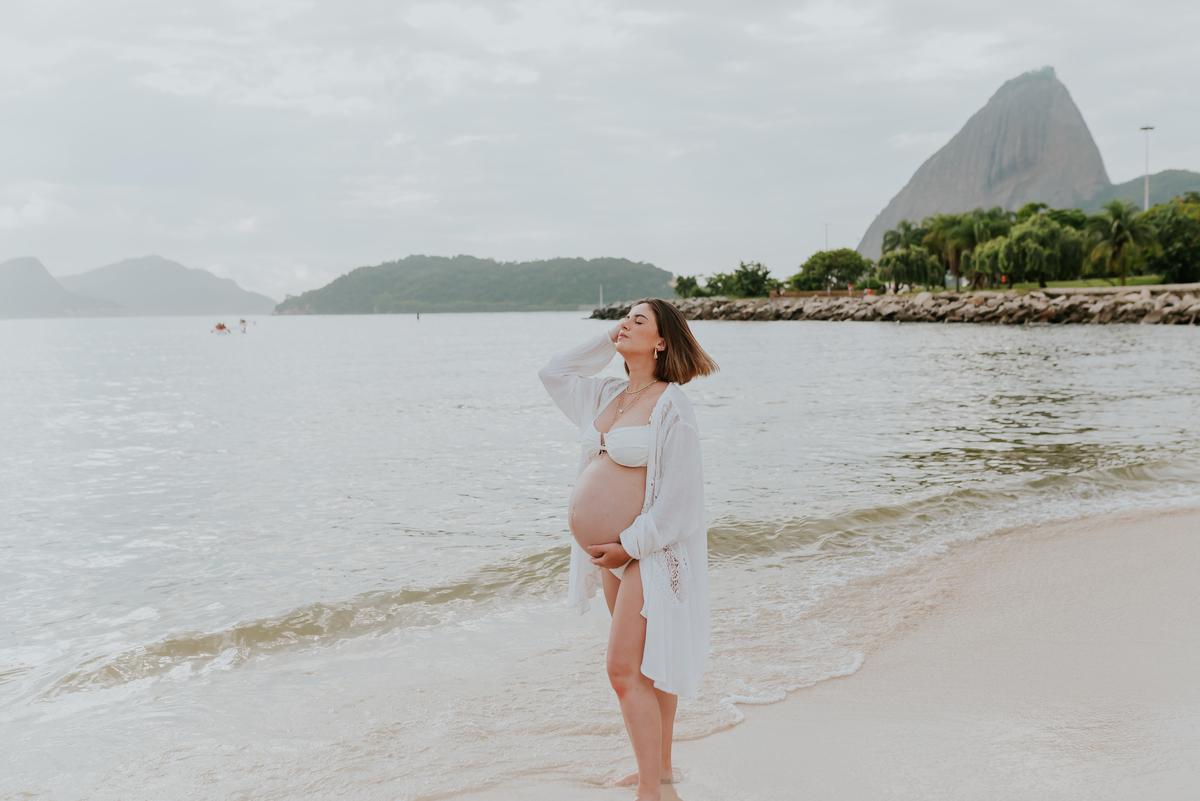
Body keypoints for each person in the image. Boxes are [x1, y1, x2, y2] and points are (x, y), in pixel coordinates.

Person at [539, 299, 717, 801]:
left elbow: (680, 502)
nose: (626, 324)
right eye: (625, 318)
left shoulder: (672, 404)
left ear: (662, 342)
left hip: (649, 552)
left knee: (622, 669)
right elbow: (552, 372)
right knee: (646, 666)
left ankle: (649, 792)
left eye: (640, 320)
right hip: (613, 557)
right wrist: (610, 337)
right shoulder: (606, 394)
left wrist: (628, 546)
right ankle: (658, 769)